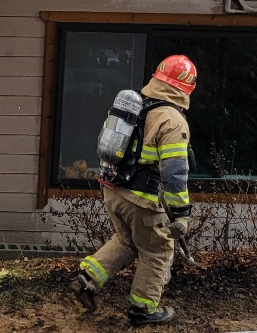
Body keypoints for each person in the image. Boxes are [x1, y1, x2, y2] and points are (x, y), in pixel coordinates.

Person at [75, 55, 196, 326]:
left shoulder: (136, 105)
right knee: (157, 250)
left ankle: (88, 278)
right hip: (141, 199)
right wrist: (181, 214)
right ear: (187, 88)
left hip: (113, 189)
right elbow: (175, 173)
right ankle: (143, 309)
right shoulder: (172, 120)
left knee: (126, 240)